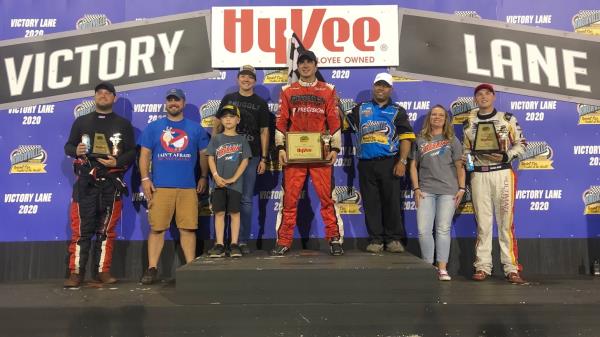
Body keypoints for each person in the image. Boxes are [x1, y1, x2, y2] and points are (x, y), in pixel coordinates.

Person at [63, 81, 135, 287]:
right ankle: (76, 273)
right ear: (95, 97)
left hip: (111, 183)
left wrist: (118, 162)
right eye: (99, 93)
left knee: (106, 231)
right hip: (86, 182)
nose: (103, 96)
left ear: (114, 98)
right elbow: (68, 146)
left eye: (107, 93)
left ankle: (103, 271)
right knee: (81, 230)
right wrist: (75, 151)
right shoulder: (82, 122)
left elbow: (131, 151)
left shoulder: (123, 124)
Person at [273, 50, 344, 256]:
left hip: (320, 153)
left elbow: (334, 121)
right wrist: (280, 148)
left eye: (309, 62)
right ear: (297, 66)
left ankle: (334, 239)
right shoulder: (287, 90)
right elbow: (281, 121)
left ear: (315, 65)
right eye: (302, 62)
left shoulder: (328, 90)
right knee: (289, 199)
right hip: (294, 154)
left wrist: (335, 148)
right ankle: (284, 240)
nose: (305, 66)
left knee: (326, 198)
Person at [139, 88, 210, 285]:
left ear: (183, 103)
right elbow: (144, 155)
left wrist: (204, 176)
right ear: (166, 103)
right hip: (160, 187)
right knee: (157, 229)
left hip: (188, 187)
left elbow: (204, 155)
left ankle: (190, 268)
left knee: (188, 229)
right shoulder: (153, 128)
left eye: (176, 100)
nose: (173, 103)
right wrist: (145, 179)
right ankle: (152, 268)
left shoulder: (196, 129)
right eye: (170, 100)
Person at [463, 83, 527, 284]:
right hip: (479, 175)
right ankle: (482, 266)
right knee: (483, 224)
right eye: (479, 94)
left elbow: (522, 144)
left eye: (487, 94)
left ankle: (511, 268)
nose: (483, 97)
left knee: (505, 223)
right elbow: (465, 151)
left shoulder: (507, 119)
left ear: (493, 97)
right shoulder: (468, 123)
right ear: (475, 99)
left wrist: (506, 156)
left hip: (502, 173)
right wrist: (471, 165)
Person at [346, 73, 415, 254]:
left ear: (390, 89)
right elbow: (345, 125)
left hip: (389, 162)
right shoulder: (361, 108)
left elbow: (406, 137)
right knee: (371, 203)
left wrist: (402, 161)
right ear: (373, 86)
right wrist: (335, 105)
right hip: (366, 163)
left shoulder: (397, 111)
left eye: (385, 86)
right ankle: (375, 239)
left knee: (391, 202)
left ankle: (393, 239)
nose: (381, 89)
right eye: (378, 85)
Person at [214, 65, 270, 254]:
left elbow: (264, 131)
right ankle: (221, 242)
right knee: (222, 198)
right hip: (225, 155)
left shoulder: (261, 103)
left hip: (251, 156)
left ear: (255, 81)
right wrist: (215, 148)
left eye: (250, 77)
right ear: (238, 79)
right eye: (243, 76)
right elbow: (216, 125)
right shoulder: (229, 99)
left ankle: (241, 241)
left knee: (245, 200)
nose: (246, 79)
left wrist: (263, 158)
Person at [409, 105, 465, 281]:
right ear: (429, 117)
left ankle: (442, 269)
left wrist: (462, 188)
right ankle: (428, 266)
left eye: (441, 115)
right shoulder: (419, 139)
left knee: (442, 229)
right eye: (434, 114)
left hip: (448, 191)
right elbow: (412, 166)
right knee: (424, 230)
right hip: (426, 190)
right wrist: (416, 188)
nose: (437, 117)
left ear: (446, 119)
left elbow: (459, 166)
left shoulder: (452, 140)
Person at [206, 105, 252, 258]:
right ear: (220, 120)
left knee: (234, 213)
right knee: (219, 212)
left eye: (231, 116)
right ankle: (219, 244)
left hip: (235, 184)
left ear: (238, 120)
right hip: (218, 183)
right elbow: (210, 157)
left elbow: (245, 161)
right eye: (225, 116)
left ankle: (233, 243)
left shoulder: (242, 139)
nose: (228, 119)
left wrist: (234, 178)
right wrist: (215, 176)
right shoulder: (216, 138)